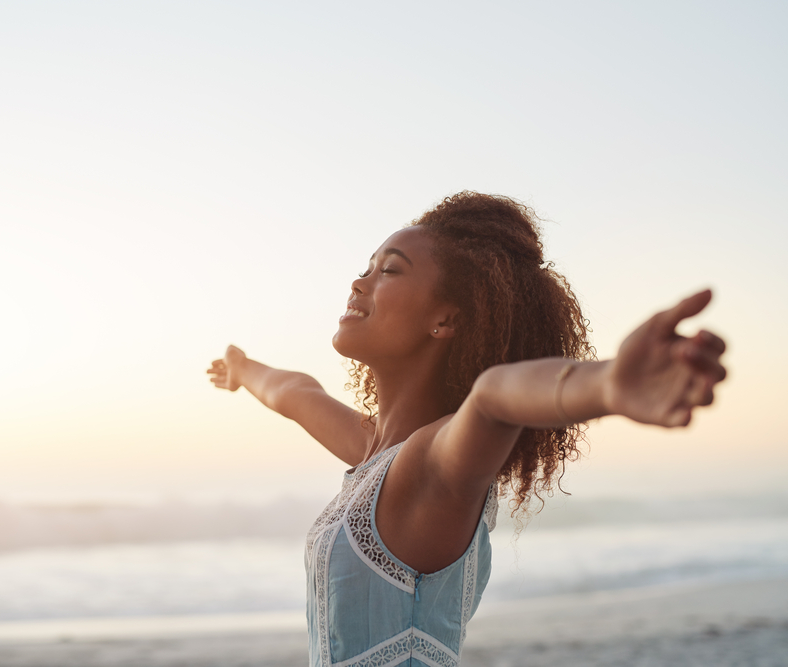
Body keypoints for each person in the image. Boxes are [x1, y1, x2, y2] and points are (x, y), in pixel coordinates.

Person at [206, 192, 727, 667]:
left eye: (388, 270)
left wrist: (606, 384)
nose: (359, 281)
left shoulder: (430, 465)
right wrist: (243, 369)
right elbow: (299, 396)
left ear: (446, 319)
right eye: (366, 266)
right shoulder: (377, 456)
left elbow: (494, 398)